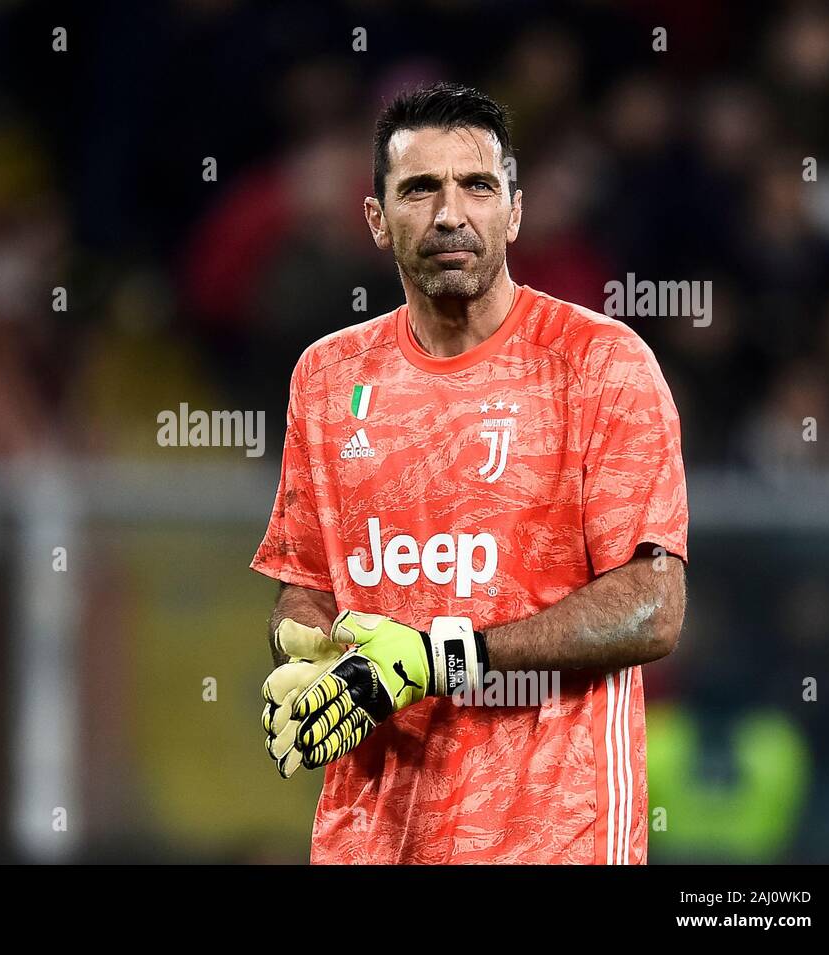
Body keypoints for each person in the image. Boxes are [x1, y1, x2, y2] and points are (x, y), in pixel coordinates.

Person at [253, 83, 688, 864]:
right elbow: (310, 580)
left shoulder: (601, 364)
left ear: (514, 212)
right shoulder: (326, 376)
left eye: (477, 186)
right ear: (377, 221)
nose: (451, 212)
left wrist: (444, 657)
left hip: (553, 837)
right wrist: (305, 653)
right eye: (420, 188)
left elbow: (653, 606)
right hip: (369, 838)